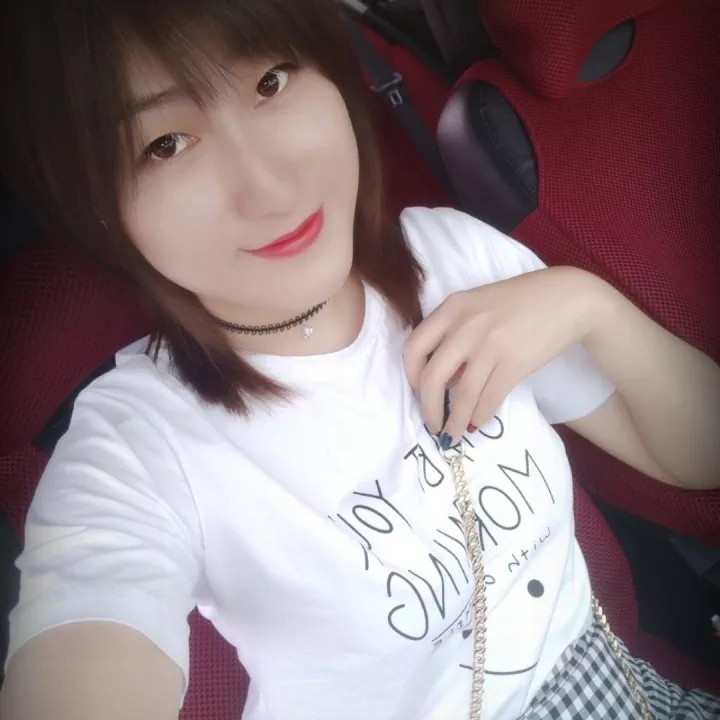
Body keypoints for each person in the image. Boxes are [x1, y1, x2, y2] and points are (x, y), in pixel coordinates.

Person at [0, 1, 718, 719]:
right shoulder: (137, 446)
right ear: (100, 206)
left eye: (272, 81)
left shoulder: (451, 257)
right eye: (166, 144)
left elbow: (700, 458)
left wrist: (588, 304)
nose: (272, 186)